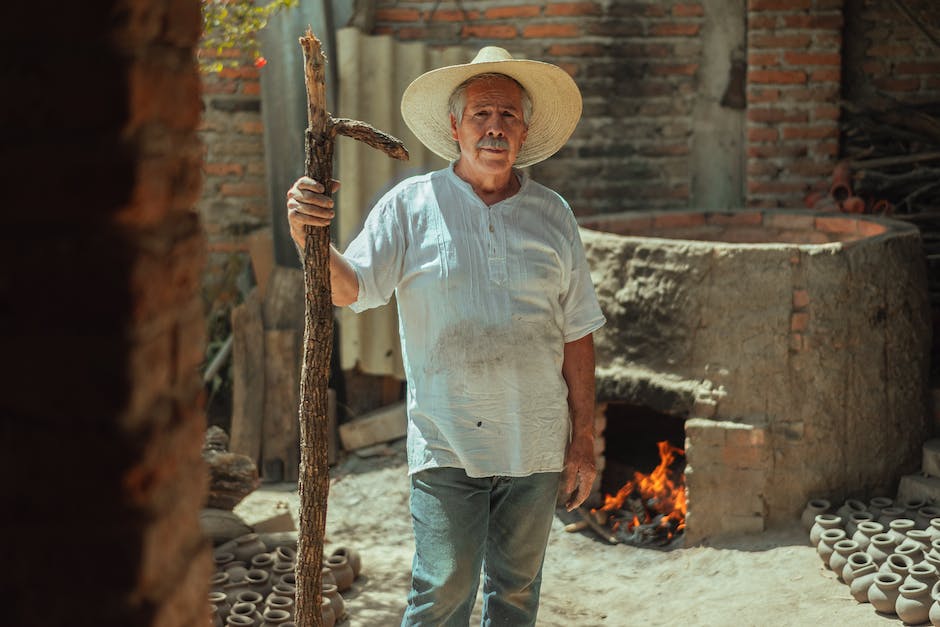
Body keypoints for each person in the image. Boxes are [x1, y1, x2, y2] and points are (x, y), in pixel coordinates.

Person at [286, 46, 605, 626]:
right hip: (446, 440)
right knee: (444, 590)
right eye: (481, 114)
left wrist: (582, 439)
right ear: (455, 126)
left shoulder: (553, 215)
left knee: (515, 594)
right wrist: (308, 233)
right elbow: (352, 288)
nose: (494, 127)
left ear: (525, 130)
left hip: (535, 440)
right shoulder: (411, 206)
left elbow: (578, 330)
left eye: (508, 115)